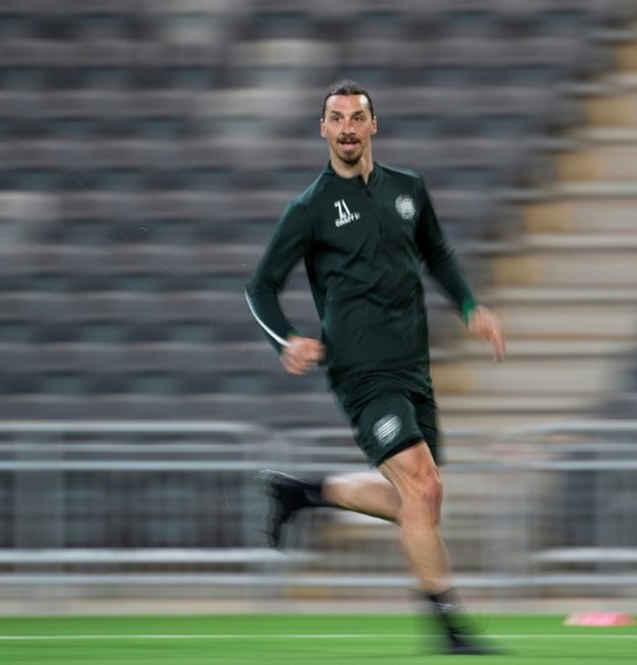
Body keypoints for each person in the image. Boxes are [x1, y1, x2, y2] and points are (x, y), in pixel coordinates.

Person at [244, 79, 506, 656]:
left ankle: (305, 493)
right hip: (362, 373)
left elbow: (437, 253)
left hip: (415, 368)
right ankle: (451, 630)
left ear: (372, 126)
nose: (346, 128)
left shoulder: (409, 191)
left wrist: (469, 306)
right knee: (424, 483)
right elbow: (259, 286)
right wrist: (285, 339)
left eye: (356, 118)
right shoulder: (309, 210)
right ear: (322, 129)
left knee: (422, 502)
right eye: (335, 118)